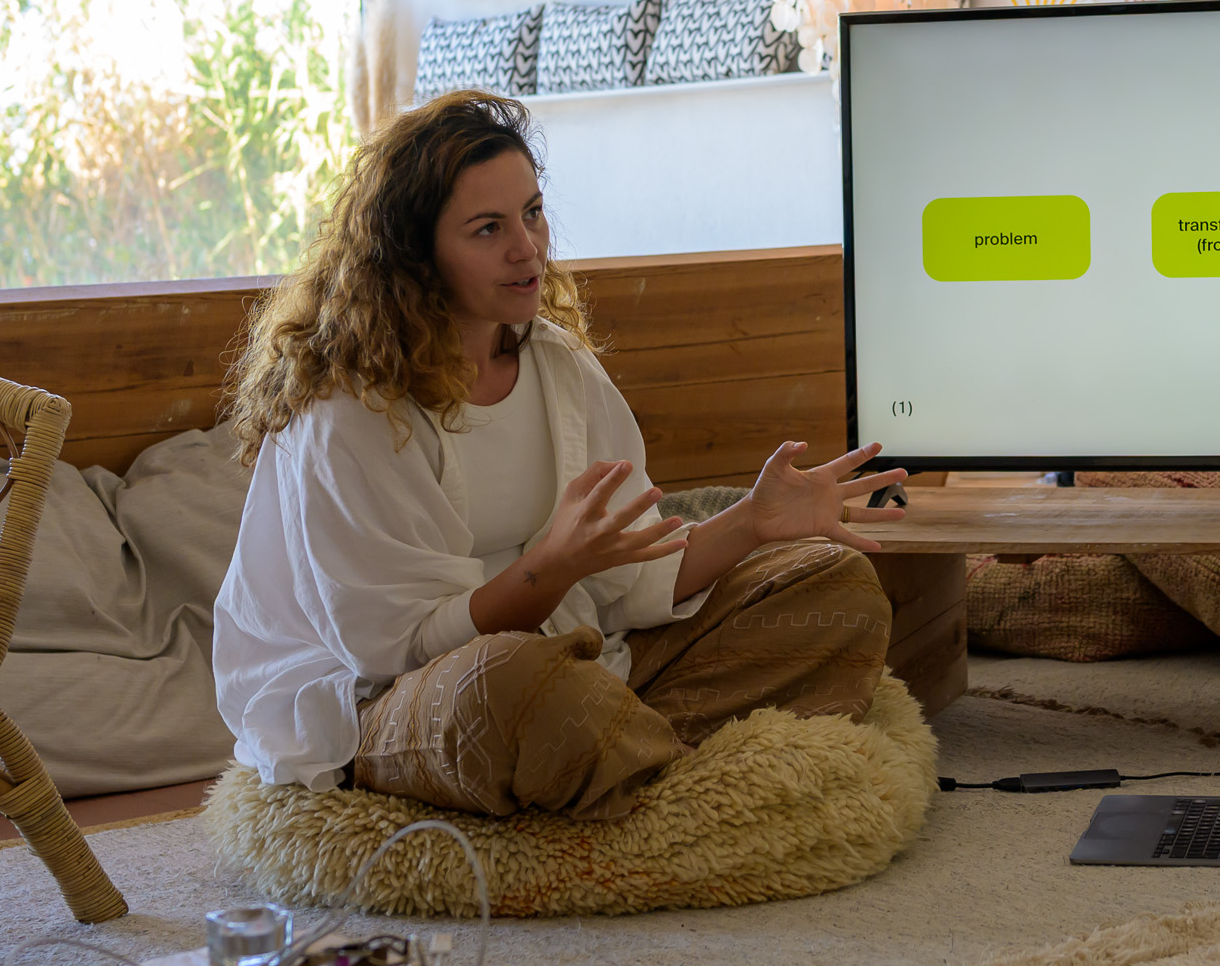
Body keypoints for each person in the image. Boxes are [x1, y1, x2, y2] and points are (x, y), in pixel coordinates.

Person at [212, 91, 908, 821]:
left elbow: (632, 579)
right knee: (511, 688)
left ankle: (612, 750)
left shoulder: (558, 365)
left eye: (533, 213)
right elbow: (400, 649)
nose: (528, 248)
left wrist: (753, 523)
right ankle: (631, 755)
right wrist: (552, 569)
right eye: (489, 228)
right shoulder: (349, 410)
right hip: (398, 698)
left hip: (571, 663)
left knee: (837, 587)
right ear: (413, 255)